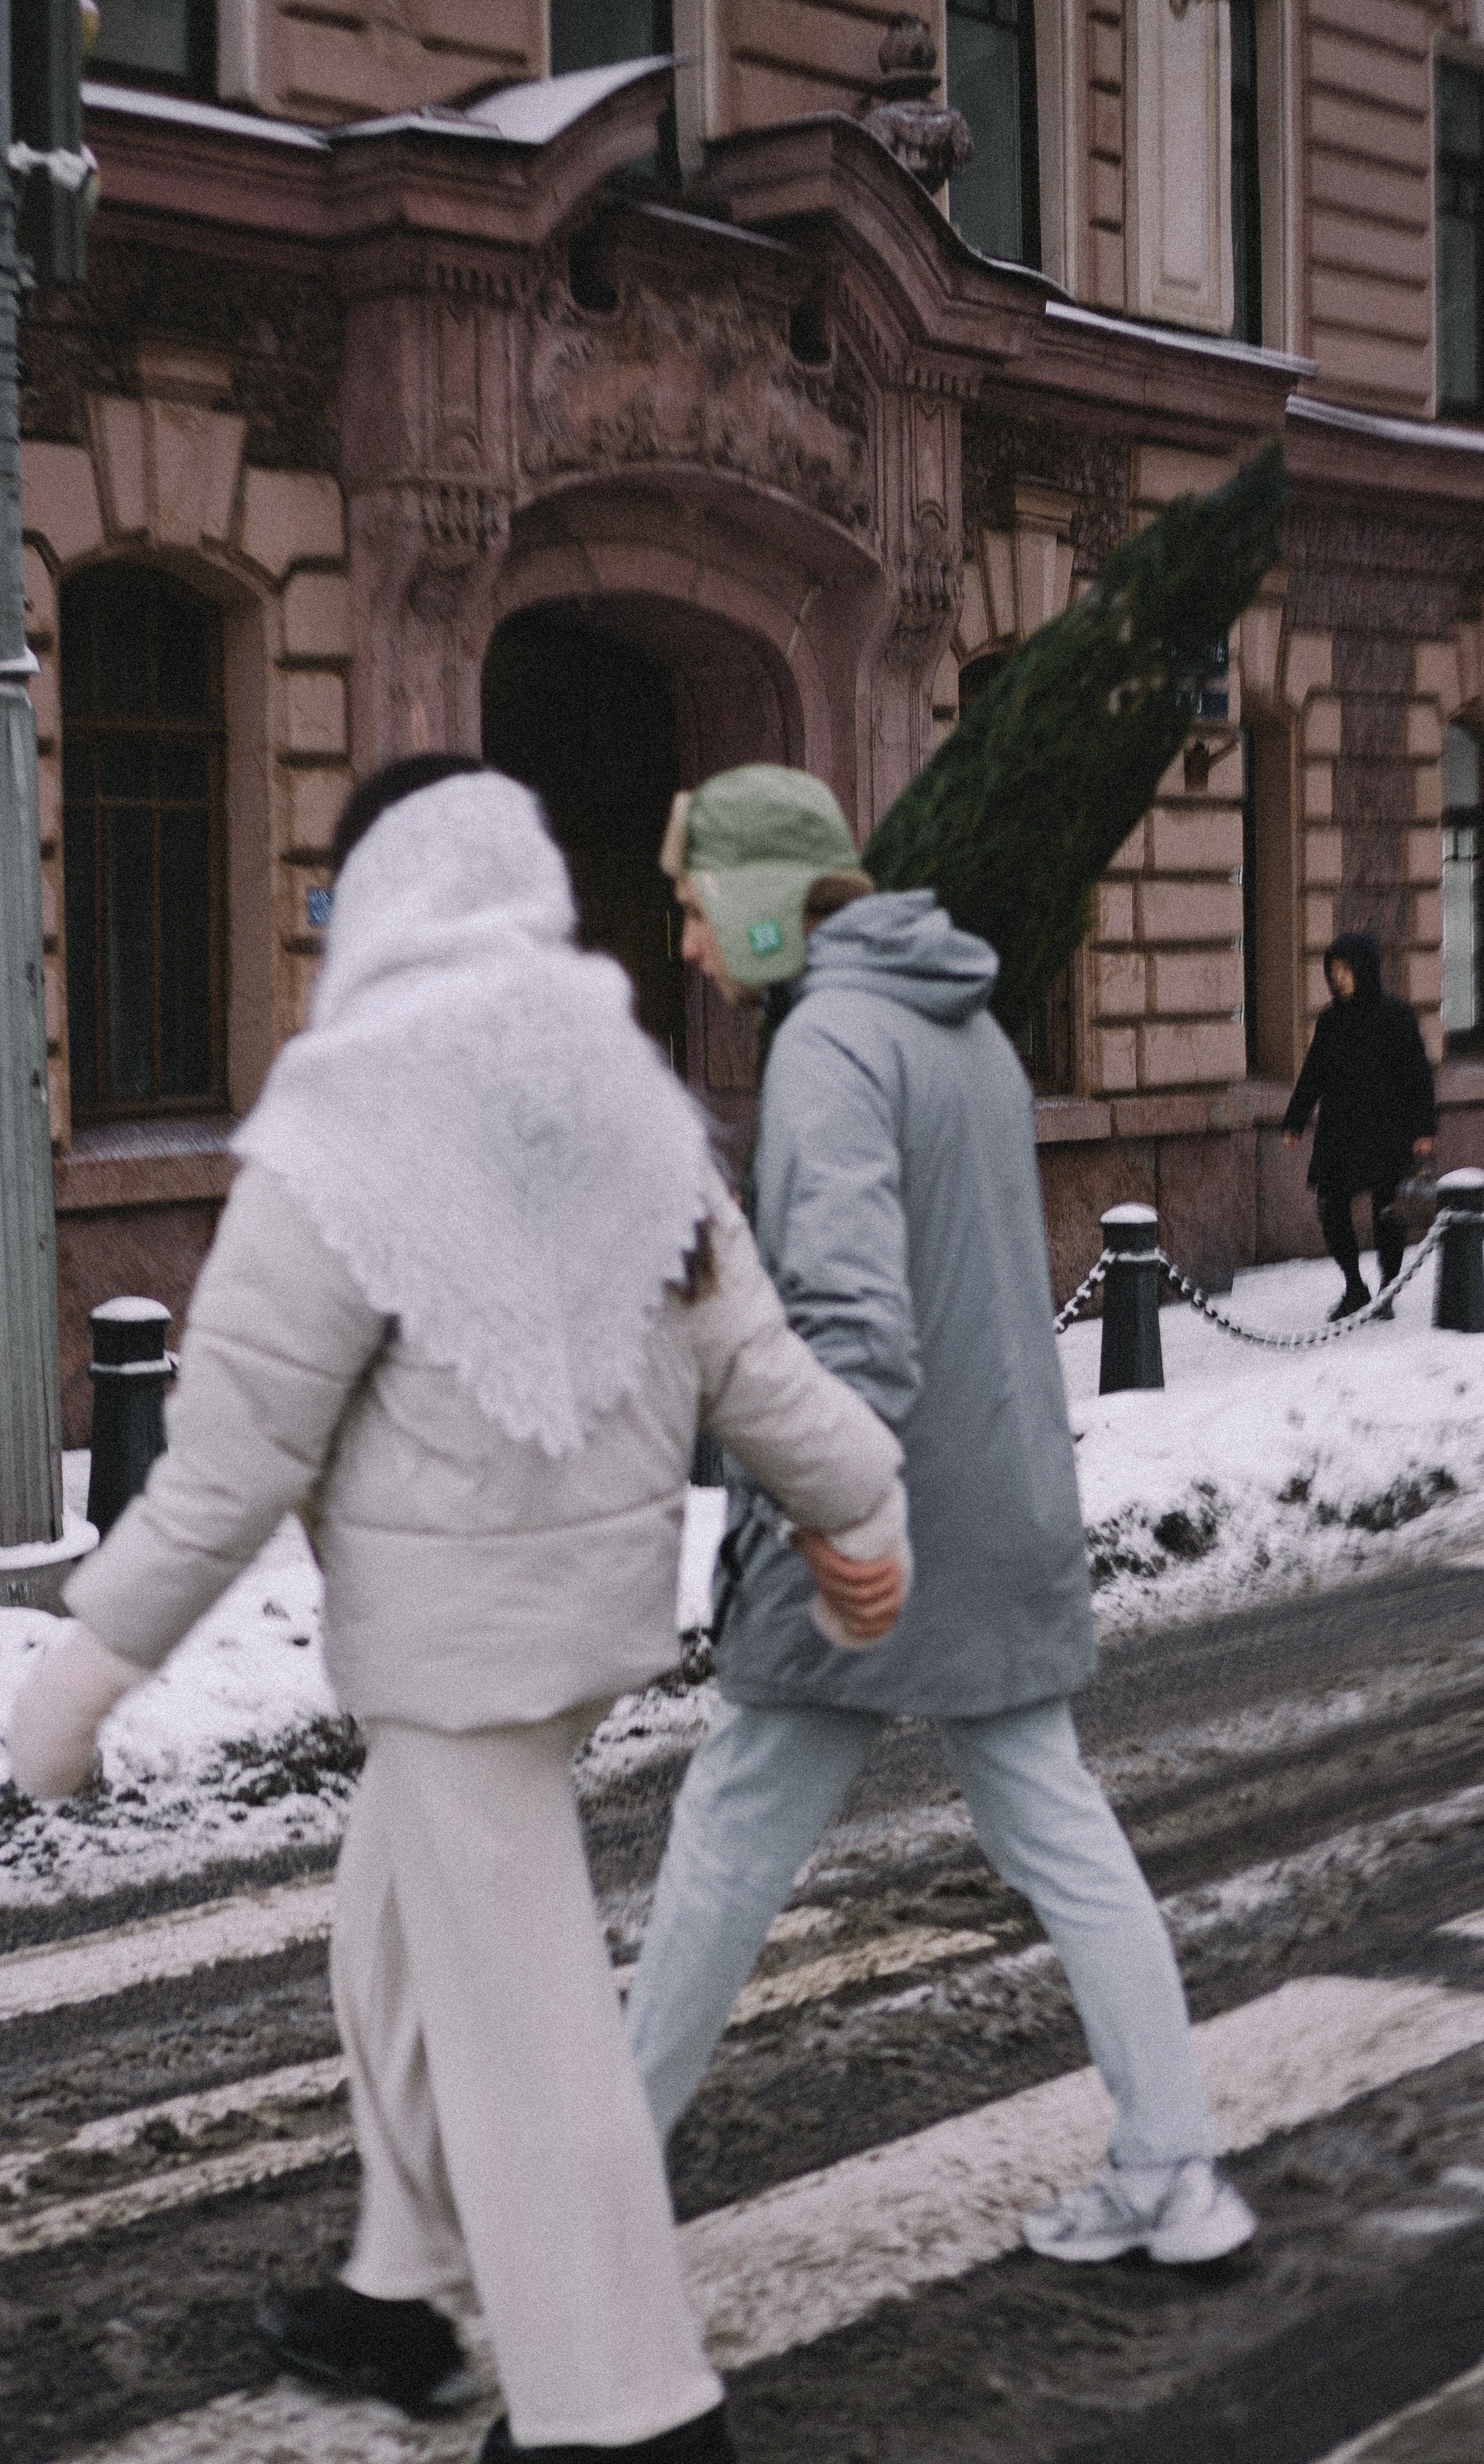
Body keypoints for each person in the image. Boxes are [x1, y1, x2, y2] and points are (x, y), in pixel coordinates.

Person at [7, 757, 912, 2464]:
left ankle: (627, 2413)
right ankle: (402, 2282)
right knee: (395, 1939)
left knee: (525, 2034)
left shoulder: (348, 1116)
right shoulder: (622, 1086)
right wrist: (859, 1501)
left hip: (451, 1651)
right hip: (579, 1624)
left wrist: (93, 1662)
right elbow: (747, 1350)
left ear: (380, 901)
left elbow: (233, 1455)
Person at [623, 762, 1256, 2270]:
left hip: (876, 1519)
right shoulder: (958, 1024)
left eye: (697, 907)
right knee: (1054, 1828)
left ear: (765, 898)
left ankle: (591, 2185)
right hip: (996, 1500)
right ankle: (1171, 2165)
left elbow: (848, 1316)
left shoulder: (830, 1040)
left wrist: (826, 1512)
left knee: (725, 1841)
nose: (690, 945)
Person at [1281, 930, 1438, 1322]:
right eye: (1333, 971)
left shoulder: (1396, 1016)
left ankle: (1388, 1289)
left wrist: (1423, 1128)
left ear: (1364, 970)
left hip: (1388, 1130)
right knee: (1331, 1206)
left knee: (1388, 1214)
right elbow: (1314, 1073)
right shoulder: (1330, 1020)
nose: (1339, 979)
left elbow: (1418, 1075)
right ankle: (1354, 1287)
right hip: (1340, 1132)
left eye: (1346, 970)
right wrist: (1295, 1120)